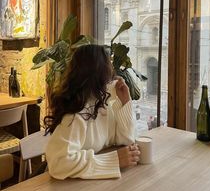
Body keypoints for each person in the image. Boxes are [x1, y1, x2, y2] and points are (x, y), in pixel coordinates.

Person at [45, 44, 140, 180]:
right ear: (98, 74)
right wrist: (113, 161)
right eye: (109, 67)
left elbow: (126, 141)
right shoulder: (76, 115)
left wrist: (124, 102)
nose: (113, 74)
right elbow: (59, 163)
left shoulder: (103, 105)